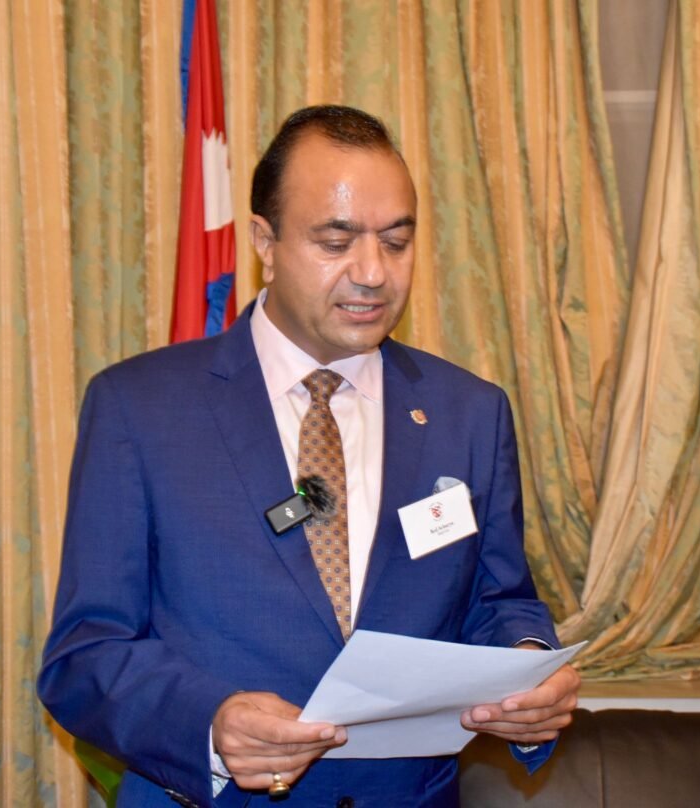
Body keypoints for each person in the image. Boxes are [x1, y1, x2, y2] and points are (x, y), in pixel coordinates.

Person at [38, 105, 579, 808]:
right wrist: (210, 724)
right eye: (336, 241)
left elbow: (498, 601)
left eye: (397, 241)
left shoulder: (469, 413)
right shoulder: (139, 409)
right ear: (264, 241)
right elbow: (85, 656)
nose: (373, 273)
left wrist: (528, 666)